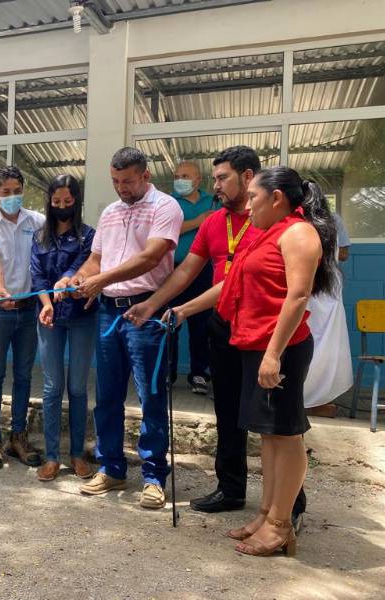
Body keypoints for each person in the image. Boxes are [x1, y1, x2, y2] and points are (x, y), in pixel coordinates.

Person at [171, 166, 338, 556]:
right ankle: (266, 512)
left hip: (279, 348)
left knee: (286, 433)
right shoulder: (264, 234)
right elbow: (229, 284)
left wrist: (273, 355)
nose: (248, 207)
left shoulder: (299, 233)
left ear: (276, 198)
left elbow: (296, 298)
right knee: (268, 434)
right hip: (253, 344)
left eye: (254, 199)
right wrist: (183, 309)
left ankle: (282, 524)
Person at [125, 146, 264, 514]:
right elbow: (186, 271)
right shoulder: (216, 221)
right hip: (225, 326)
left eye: (222, 178)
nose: (216, 186)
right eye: (215, 178)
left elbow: (242, 277)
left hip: (266, 330)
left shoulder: (270, 219)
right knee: (228, 412)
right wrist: (154, 304)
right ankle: (231, 489)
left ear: (248, 178)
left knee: (272, 420)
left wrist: (183, 308)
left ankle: (287, 505)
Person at [66, 147, 182, 509]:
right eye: (116, 181)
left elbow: (151, 257)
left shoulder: (166, 207)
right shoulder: (110, 212)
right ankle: (112, 468)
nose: (121, 188)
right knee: (108, 395)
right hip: (107, 312)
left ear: (146, 175)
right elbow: (96, 259)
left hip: (145, 309)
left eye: (128, 181)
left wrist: (98, 279)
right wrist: (75, 277)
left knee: (151, 396)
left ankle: (153, 476)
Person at [0, 166, 45, 469]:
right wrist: (1, 291)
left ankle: (18, 435)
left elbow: (44, 260)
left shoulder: (38, 221)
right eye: (6, 192)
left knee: (24, 375)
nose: (12, 197)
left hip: (29, 310)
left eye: (17, 191)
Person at [30, 174, 96, 482]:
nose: (61, 207)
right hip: (49, 318)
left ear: (77, 201)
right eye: (56, 202)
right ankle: (53, 456)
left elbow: (83, 266)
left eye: (67, 202)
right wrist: (45, 303)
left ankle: (78, 454)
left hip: (82, 315)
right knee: (52, 387)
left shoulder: (89, 235)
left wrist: (69, 280)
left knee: (78, 388)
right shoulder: (39, 237)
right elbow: (38, 277)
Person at [170, 161, 216, 394]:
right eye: (177, 176)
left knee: (201, 325)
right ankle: (168, 373)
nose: (180, 180)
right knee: (170, 323)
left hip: (205, 271)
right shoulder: (169, 203)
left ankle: (199, 373)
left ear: (198, 180)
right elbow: (167, 231)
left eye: (185, 176)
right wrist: (198, 223)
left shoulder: (213, 202)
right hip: (174, 270)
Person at [303, 213, 353, 417]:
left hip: (314, 284)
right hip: (326, 286)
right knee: (327, 342)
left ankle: (308, 398)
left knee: (305, 339)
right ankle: (319, 398)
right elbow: (343, 254)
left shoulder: (295, 218)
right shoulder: (333, 219)